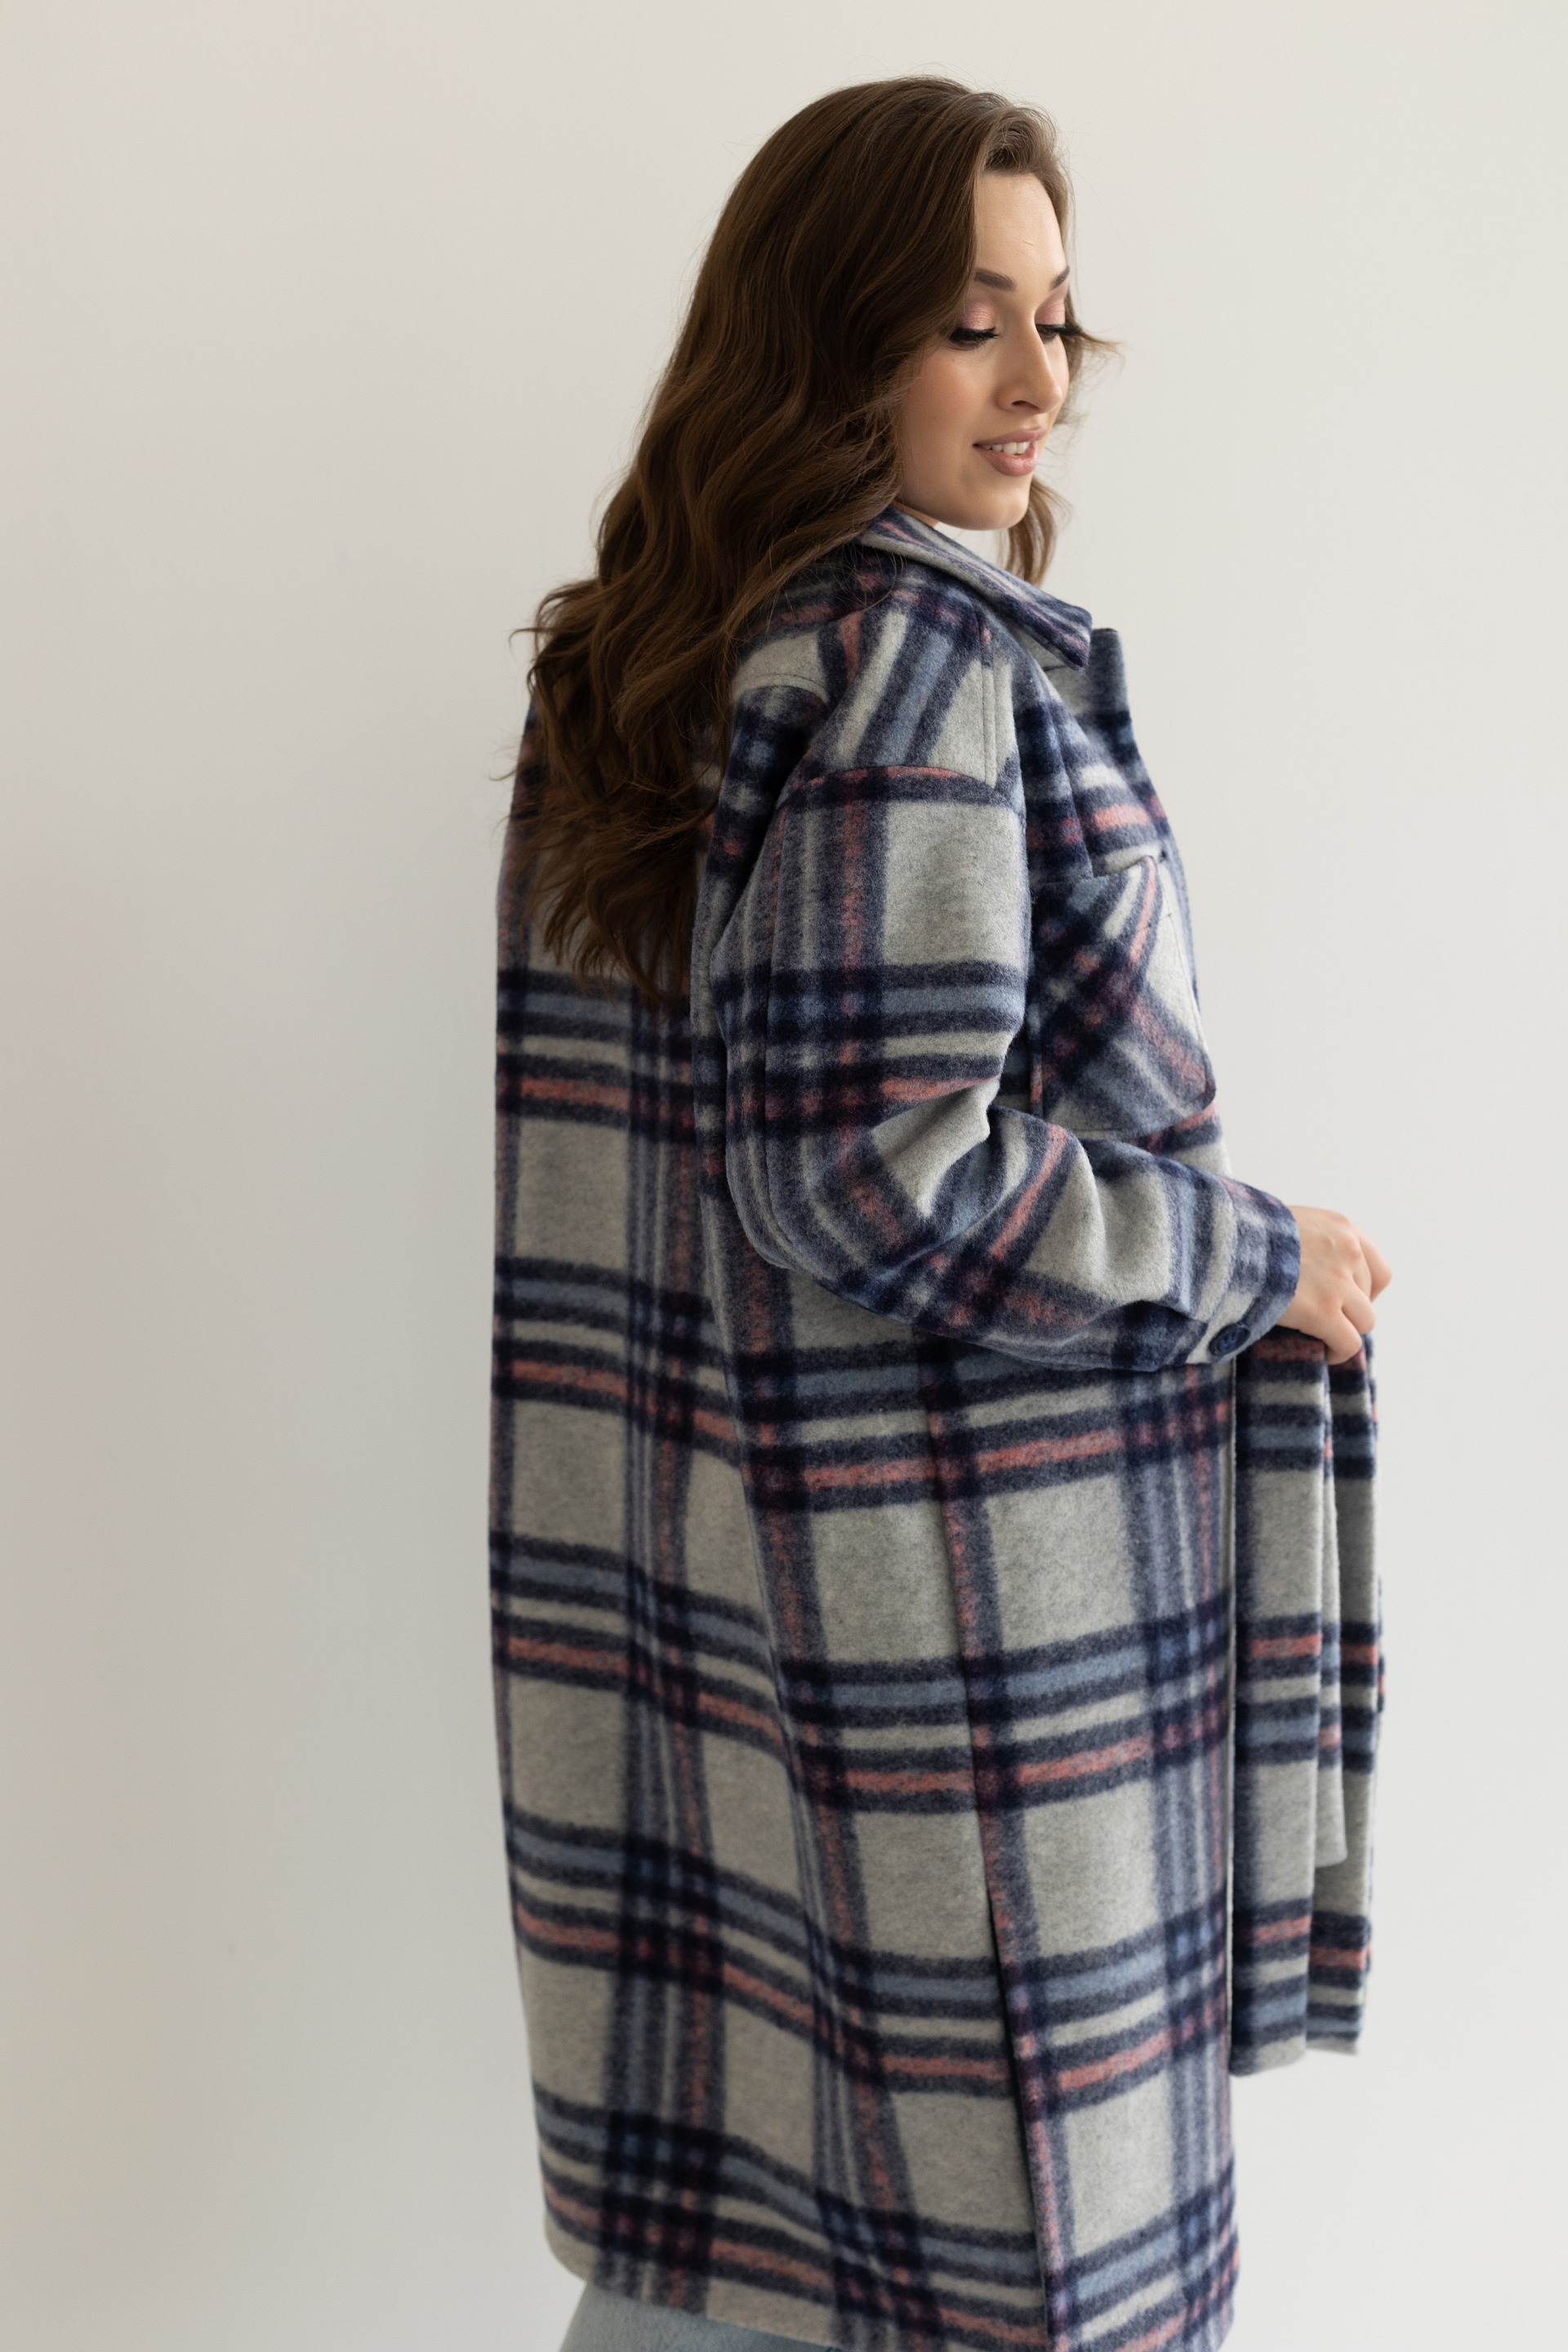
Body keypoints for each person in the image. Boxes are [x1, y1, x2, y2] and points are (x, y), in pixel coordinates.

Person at [492, 77, 1391, 2352]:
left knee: (740, 2243)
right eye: (969, 321)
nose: (1034, 381)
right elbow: (878, 1172)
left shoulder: (657, 663)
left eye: (1056, 320)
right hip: (974, 1640)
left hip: (720, 1597)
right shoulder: (918, 665)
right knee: (1015, 2274)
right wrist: (1257, 1257)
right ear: (830, 338)